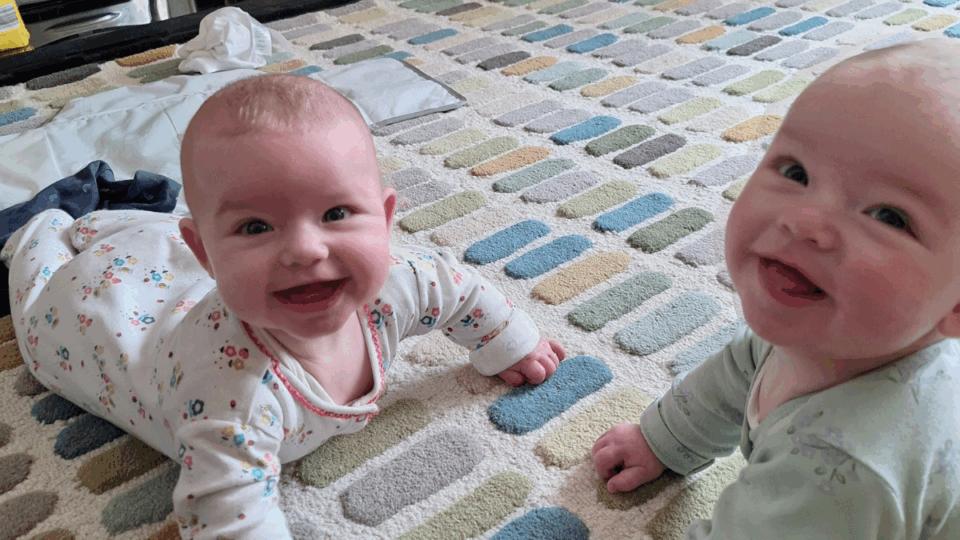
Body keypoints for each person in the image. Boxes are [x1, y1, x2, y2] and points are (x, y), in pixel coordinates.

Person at [1, 74, 565, 539]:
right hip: (99, 320)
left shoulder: (402, 281)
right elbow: (225, 516)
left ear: (387, 220)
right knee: (44, 292)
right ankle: (44, 225)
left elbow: (462, 290)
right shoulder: (231, 402)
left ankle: (113, 221)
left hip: (170, 274)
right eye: (255, 225)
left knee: (149, 241)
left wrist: (508, 342)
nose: (304, 250)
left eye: (337, 213)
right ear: (204, 250)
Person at [592, 38, 960, 538]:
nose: (806, 222)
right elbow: (742, 368)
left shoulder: (837, 469)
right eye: (796, 172)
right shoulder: (837, 335)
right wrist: (665, 439)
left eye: (889, 216)